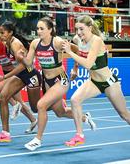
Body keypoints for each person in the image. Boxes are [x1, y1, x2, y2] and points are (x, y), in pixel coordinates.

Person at [18, 17, 96, 151]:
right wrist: (21, 57)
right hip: (47, 81)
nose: (38, 31)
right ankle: (84, 117)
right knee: (60, 112)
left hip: (61, 79)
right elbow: (29, 63)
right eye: (37, 28)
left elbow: (77, 50)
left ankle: (37, 140)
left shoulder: (58, 42)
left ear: (50, 30)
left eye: (42, 28)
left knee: (41, 105)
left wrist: (75, 68)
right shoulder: (35, 44)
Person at [62, 15, 130, 146]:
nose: (78, 33)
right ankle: (79, 136)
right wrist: (75, 68)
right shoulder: (78, 39)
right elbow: (79, 51)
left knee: (124, 115)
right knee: (75, 99)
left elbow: (87, 64)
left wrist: (69, 53)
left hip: (109, 82)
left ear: (90, 28)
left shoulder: (96, 40)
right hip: (94, 81)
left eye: (81, 29)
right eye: (77, 29)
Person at [0, 21, 42, 142]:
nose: (0, 35)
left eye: (3, 32)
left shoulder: (15, 44)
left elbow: (23, 66)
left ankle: (56, 104)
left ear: (10, 32)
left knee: (36, 108)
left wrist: (5, 77)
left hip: (30, 75)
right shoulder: (7, 43)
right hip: (20, 76)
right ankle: (5, 133)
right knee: (2, 97)